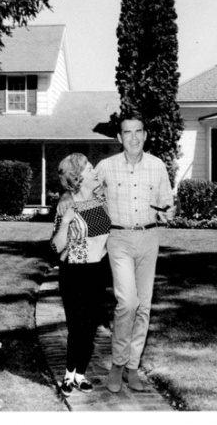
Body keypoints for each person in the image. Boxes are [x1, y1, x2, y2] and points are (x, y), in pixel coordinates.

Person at [58, 112, 176, 393]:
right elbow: (78, 184)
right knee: (127, 303)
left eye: (138, 132)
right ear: (120, 137)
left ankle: (132, 368)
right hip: (119, 239)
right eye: (127, 133)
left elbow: (167, 204)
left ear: (145, 135)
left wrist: (169, 211)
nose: (133, 138)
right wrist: (65, 199)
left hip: (149, 238)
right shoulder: (105, 167)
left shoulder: (157, 166)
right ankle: (117, 365)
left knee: (144, 306)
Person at [50, 153, 112, 397]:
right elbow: (55, 247)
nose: (94, 171)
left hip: (98, 269)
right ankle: (68, 374)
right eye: (88, 168)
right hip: (74, 271)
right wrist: (65, 223)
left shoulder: (102, 199)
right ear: (77, 177)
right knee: (77, 325)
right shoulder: (67, 205)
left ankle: (80, 374)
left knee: (90, 325)